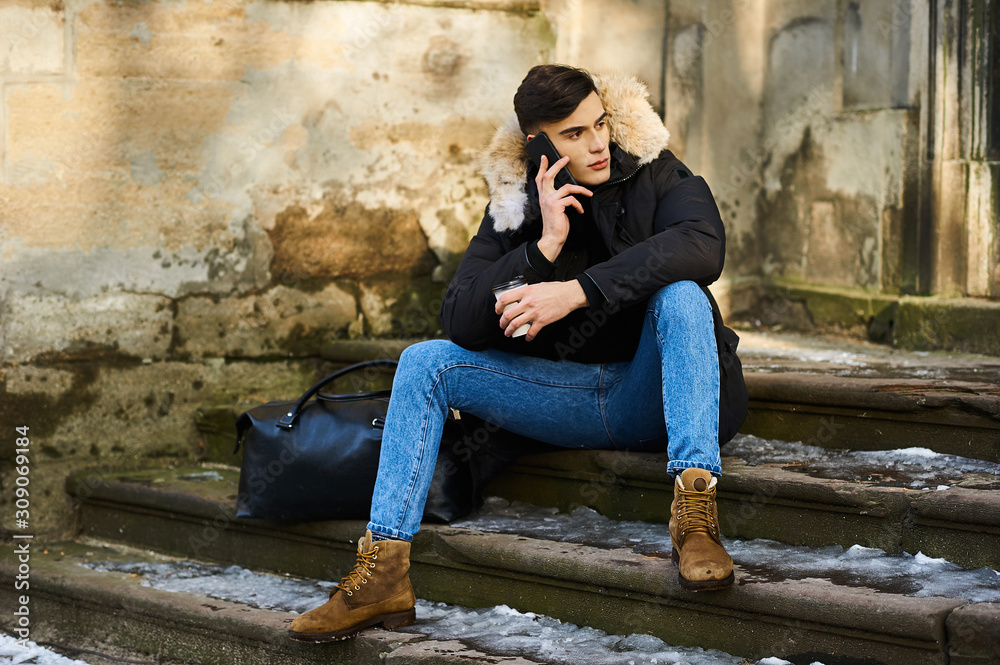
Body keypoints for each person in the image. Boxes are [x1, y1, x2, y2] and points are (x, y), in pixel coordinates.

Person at [288, 64, 747, 643]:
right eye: (574, 134)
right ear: (538, 146)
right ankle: (383, 573)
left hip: (654, 392)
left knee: (682, 296)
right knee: (426, 361)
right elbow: (459, 317)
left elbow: (703, 245)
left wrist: (578, 290)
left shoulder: (657, 172)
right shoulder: (515, 208)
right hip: (564, 397)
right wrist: (542, 248)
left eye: (599, 123)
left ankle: (696, 519)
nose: (598, 142)